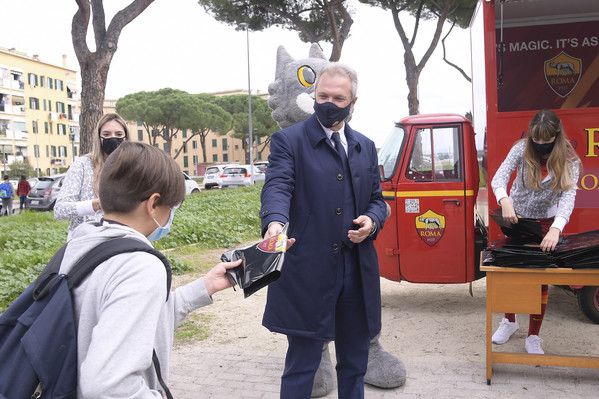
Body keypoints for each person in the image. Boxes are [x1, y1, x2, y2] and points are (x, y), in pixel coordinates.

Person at [60, 141, 241, 397]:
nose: (170, 216)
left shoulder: (81, 244)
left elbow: (124, 316)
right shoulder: (139, 265)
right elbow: (108, 386)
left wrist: (205, 286)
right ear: (153, 204)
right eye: (172, 207)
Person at [260, 62, 387, 398]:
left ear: (353, 102)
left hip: (356, 270)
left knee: (355, 363)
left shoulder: (365, 146)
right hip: (308, 269)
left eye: (338, 97)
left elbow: (377, 199)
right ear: (315, 95)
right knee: (302, 364)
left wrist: (372, 221)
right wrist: (275, 222)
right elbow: (278, 186)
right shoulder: (288, 141)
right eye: (323, 95)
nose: (329, 102)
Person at [491, 109, 581, 354]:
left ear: (556, 136)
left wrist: (555, 228)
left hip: (544, 224)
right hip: (514, 218)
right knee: (511, 273)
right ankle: (509, 321)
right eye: (536, 140)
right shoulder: (520, 149)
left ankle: (533, 336)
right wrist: (504, 200)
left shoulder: (570, 160)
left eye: (546, 140)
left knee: (539, 279)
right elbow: (498, 178)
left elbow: (569, 197)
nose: (540, 145)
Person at [55, 113, 129, 240]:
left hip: (123, 240)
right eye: (106, 134)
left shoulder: (134, 166)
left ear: (126, 137)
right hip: (85, 242)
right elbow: (60, 210)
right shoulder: (82, 165)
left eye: (118, 134)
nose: (112, 138)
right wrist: (97, 205)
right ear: (98, 137)